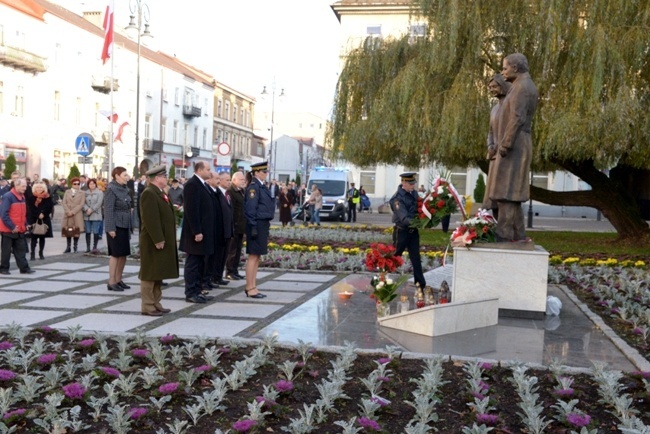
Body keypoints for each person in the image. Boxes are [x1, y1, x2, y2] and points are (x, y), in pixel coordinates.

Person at [488, 53, 538, 242]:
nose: (503, 71)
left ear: (515, 68)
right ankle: (518, 233)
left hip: (514, 144)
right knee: (511, 192)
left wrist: (505, 144)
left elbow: (517, 118)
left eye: (505, 67)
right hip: (516, 143)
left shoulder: (521, 88)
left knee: (506, 191)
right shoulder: (521, 86)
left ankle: (504, 234)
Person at [138, 165, 178, 316]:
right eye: (163, 176)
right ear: (156, 178)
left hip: (160, 239)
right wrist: (158, 239)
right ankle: (147, 306)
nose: (166, 178)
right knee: (149, 273)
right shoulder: (149, 193)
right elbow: (150, 219)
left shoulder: (159, 192)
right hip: (152, 240)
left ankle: (156, 303)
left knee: (158, 272)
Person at [179, 161, 216, 304]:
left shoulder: (203, 184)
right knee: (193, 263)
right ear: (199, 170)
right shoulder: (192, 185)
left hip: (204, 232)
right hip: (195, 234)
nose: (210, 172)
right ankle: (190, 292)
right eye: (208, 169)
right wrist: (197, 231)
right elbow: (191, 210)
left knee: (201, 263)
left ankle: (198, 290)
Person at [482, 73, 512, 219]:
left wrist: (503, 145)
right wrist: (490, 145)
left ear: (502, 86)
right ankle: (495, 222)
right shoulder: (494, 109)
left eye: (494, 86)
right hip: (494, 156)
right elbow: (490, 131)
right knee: (492, 194)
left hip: (506, 155)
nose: (492, 89)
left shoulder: (510, 105)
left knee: (503, 191)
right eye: (490, 87)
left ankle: (505, 225)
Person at [390, 172, 426, 289]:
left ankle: (420, 284)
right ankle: (381, 279)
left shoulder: (414, 194)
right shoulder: (397, 199)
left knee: (416, 258)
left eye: (414, 183)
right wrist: (418, 223)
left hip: (413, 232)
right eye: (410, 183)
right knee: (394, 256)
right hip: (402, 231)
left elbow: (420, 207)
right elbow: (404, 217)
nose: (413, 185)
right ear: (403, 183)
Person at [243, 161, 273, 298]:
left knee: (257, 256)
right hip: (256, 224)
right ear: (256, 173)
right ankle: (249, 288)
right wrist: (253, 226)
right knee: (253, 256)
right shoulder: (254, 188)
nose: (266, 174)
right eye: (263, 172)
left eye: (266, 172)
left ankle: (253, 285)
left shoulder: (262, 187)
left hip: (262, 224)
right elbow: (250, 209)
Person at [103, 167, 133, 292]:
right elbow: (108, 210)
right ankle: (111, 281)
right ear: (117, 176)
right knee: (115, 254)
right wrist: (110, 228)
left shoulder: (125, 189)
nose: (127, 177)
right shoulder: (111, 189)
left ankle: (118, 279)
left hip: (125, 225)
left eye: (127, 175)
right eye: (125, 175)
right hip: (115, 226)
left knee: (123, 254)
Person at [0, 178, 33, 275]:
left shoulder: (22, 196)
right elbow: (3, 214)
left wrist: (26, 224)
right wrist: (12, 227)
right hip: (8, 229)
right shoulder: (8, 196)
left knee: (21, 249)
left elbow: (22, 214)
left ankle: (24, 268)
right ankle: (4, 268)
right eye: (23, 186)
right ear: (16, 186)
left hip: (19, 229)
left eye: (26, 186)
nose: (25, 188)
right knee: (6, 251)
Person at [211, 172, 232, 286]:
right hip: (220, 230)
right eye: (227, 180)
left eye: (229, 180)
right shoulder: (218, 194)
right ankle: (214, 277)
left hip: (227, 230)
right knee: (218, 255)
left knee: (224, 255)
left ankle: (219, 276)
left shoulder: (227, 194)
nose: (229, 182)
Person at [225, 171, 246, 280]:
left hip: (241, 226)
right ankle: (229, 271)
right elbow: (231, 210)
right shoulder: (230, 192)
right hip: (234, 225)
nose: (243, 182)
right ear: (234, 180)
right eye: (241, 180)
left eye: (244, 180)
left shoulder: (242, 191)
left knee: (238, 250)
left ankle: (235, 270)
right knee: (232, 251)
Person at [26, 181, 54, 260]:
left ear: (44, 188)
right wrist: (38, 214)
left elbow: (49, 207)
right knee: (34, 237)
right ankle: (32, 253)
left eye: (40, 187)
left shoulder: (48, 197)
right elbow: (31, 208)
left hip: (44, 219)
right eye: (37, 187)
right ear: (34, 188)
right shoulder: (31, 197)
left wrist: (43, 214)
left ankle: (41, 252)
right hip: (34, 218)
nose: (39, 189)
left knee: (42, 237)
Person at [61, 177, 86, 253]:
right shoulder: (67, 192)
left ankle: (75, 246)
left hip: (77, 213)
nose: (76, 185)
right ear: (72, 184)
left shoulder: (82, 193)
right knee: (68, 230)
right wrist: (68, 211)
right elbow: (64, 202)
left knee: (76, 230)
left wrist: (73, 211)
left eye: (78, 184)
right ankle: (68, 246)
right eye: (75, 184)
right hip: (67, 213)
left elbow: (81, 204)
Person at [83, 178, 104, 254]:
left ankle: (94, 247)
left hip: (96, 214)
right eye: (90, 184)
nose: (92, 185)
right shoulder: (85, 193)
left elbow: (99, 203)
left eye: (93, 184)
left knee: (95, 231)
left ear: (95, 184)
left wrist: (91, 209)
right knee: (88, 231)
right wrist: (86, 209)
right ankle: (88, 247)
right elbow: (82, 202)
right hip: (87, 214)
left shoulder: (100, 192)